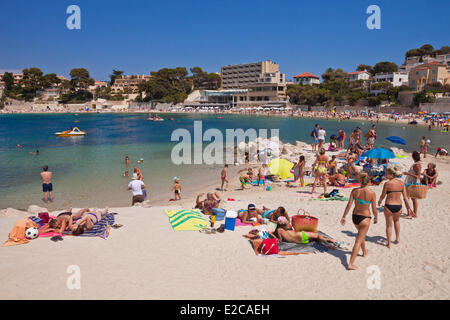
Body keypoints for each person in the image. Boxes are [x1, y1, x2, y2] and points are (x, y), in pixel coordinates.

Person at [340, 173, 377, 270]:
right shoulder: (372, 193)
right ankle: (351, 263)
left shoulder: (354, 191)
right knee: (358, 240)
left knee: (361, 235)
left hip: (355, 217)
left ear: (360, 181)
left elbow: (349, 205)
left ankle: (364, 251)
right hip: (365, 217)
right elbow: (374, 208)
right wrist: (376, 217)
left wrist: (344, 216)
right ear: (368, 182)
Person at [377, 167, 413, 247]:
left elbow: (383, 195)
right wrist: (410, 208)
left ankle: (389, 243)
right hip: (398, 206)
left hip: (389, 205)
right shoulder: (401, 183)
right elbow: (405, 198)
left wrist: (379, 201)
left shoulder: (387, 184)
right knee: (396, 221)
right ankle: (397, 239)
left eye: (387, 173)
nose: (385, 175)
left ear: (392, 175)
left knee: (389, 225)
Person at [403, 151, 422, 218]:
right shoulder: (417, 164)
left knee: (406, 198)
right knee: (412, 199)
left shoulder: (417, 165)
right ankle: (414, 213)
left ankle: (410, 214)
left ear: (413, 157)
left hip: (411, 183)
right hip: (411, 182)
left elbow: (418, 176)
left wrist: (408, 173)